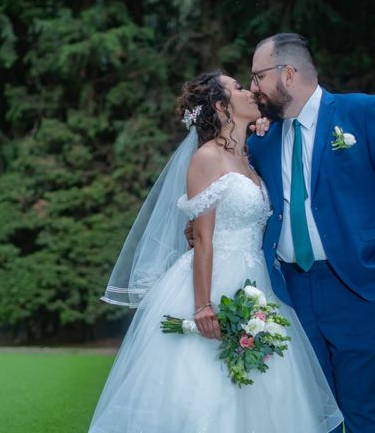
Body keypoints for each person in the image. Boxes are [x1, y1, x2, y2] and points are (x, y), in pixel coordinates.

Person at [89, 71, 343, 432]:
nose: (249, 90)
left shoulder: (248, 155)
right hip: (216, 279)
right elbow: (204, 238)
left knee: (265, 386)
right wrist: (203, 304)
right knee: (207, 390)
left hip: (258, 283)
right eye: (238, 87)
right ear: (223, 106)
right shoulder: (206, 158)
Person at [246, 33, 375, 433]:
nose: (253, 87)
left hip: (362, 287)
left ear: (287, 73)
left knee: (366, 414)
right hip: (292, 294)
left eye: (258, 77)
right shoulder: (264, 140)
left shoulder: (361, 112)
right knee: (314, 415)